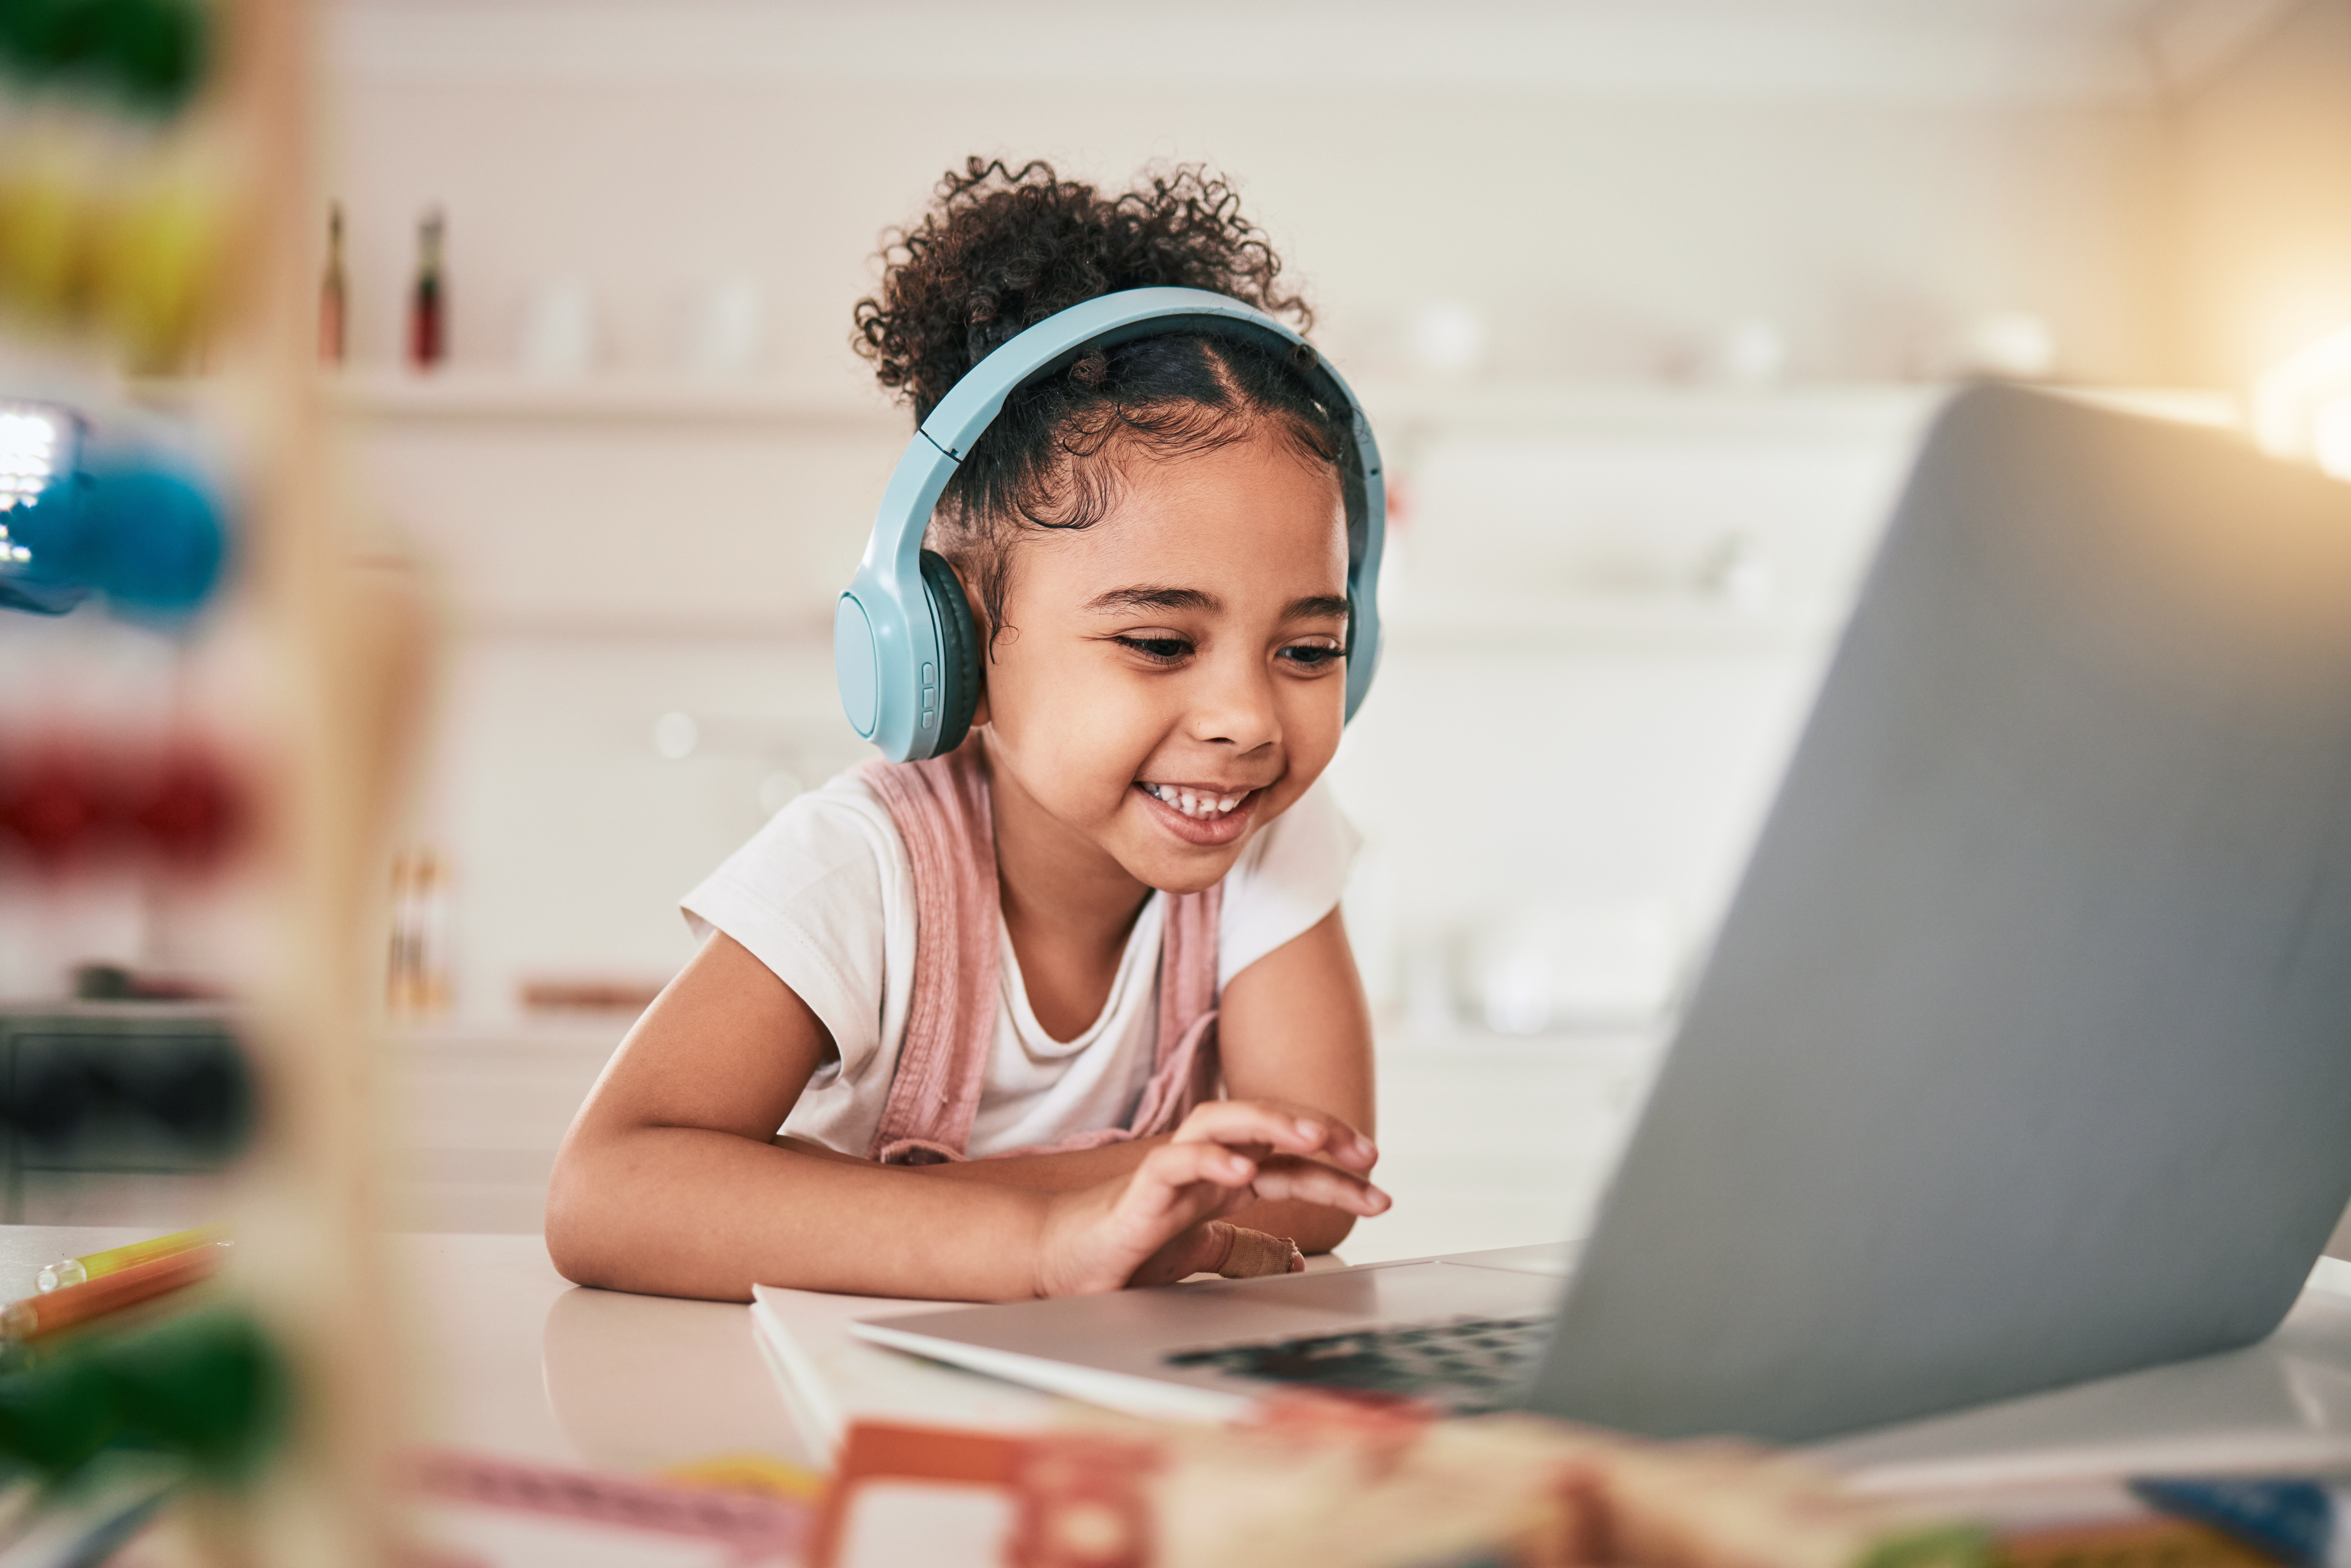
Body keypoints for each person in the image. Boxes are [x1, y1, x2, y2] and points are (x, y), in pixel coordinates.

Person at [546, 159, 1389, 1303]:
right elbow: (609, 1193)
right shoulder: (865, 866)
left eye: (1307, 651)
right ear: (951, 645)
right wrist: (1055, 1243)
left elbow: (1310, 1178)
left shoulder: (1276, 839)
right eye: (1157, 643)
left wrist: (808, 1201)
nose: (1245, 721)